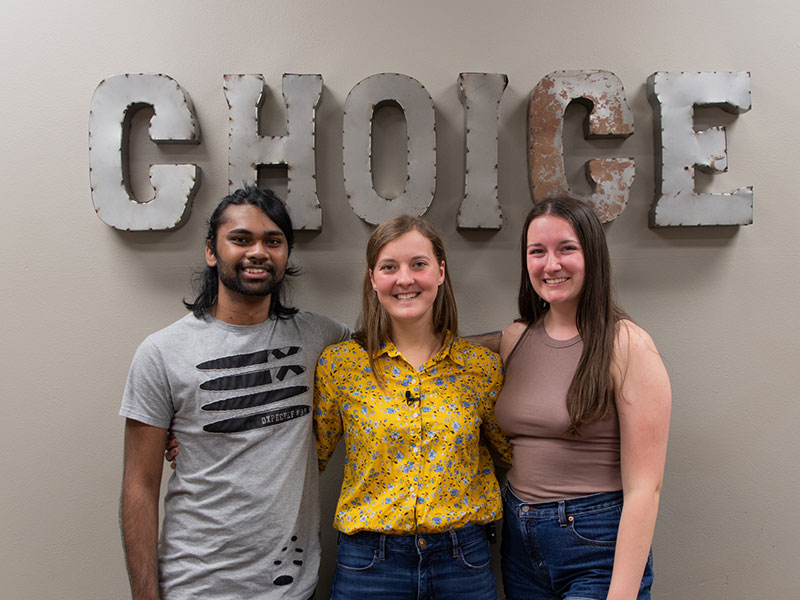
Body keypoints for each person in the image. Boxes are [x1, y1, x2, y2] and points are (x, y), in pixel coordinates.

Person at [119, 185, 350, 600]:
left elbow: (399, 352)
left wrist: (507, 340)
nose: (258, 251)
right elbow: (139, 485)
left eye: (273, 241)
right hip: (196, 586)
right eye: (241, 239)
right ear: (212, 251)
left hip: (293, 588)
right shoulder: (161, 353)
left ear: (286, 256)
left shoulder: (319, 336)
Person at [313, 215, 512, 600]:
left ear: (440, 272)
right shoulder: (341, 364)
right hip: (369, 565)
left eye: (418, 264)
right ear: (373, 279)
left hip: (463, 562)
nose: (405, 279)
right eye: (390, 267)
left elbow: (515, 451)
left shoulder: (480, 368)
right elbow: (306, 458)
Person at [493, 197, 671, 600]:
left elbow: (646, 489)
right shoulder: (515, 339)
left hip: (595, 546)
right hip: (519, 546)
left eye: (566, 249)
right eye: (537, 252)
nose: (550, 264)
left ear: (592, 254)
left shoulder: (628, 345)